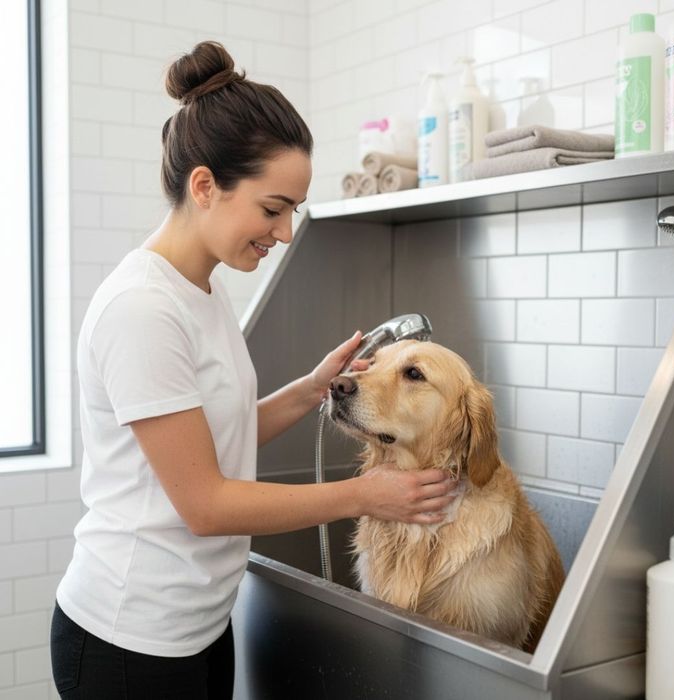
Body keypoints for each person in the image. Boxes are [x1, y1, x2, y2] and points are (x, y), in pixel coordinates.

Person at [49, 40, 456, 699]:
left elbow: (218, 435)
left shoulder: (201, 291)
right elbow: (207, 503)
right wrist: (364, 496)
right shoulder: (142, 310)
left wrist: (308, 391)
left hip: (199, 626)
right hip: (129, 643)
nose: (285, 232)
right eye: (273, 209)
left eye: (291, 211)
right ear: (205, 186)